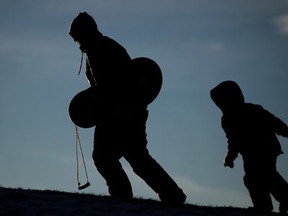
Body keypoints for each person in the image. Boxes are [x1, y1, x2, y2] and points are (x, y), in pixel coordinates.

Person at [69, 12, 186, 204]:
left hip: (128, 112)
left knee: (125, 158)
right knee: (119, 158)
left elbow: (131, 82)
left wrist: (128, 108)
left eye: (79, 38)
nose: (78, 44)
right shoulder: (93, 53)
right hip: (111, 114)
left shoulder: (108, 49)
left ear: (87, 33)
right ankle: (135, 196)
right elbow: (100, 89)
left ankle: (136, 197)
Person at [210, 80, 288, 213]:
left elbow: (273, 121)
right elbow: (233, 141)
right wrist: (230, 157)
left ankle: (283, 199)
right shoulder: (227, 120)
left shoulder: (253, 110)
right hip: (249, 154)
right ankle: (263, 206)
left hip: (266, 149)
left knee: (266, 176)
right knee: (254, 179)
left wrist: (285, 131)